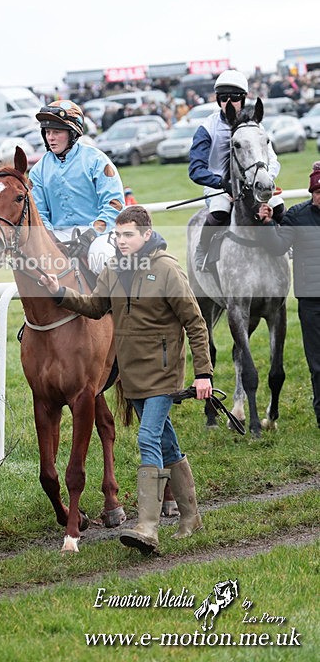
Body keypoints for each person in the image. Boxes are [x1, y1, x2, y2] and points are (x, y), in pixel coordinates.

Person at [39, 205, 213, 554]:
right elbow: (95, 307)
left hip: (162, 373)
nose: (121, 241)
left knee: (148, 438)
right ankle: (191, 516)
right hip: (130, 375)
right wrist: (59, 292)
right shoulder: (114, 269)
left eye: (128, 235)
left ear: (146, 235)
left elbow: (195, 322)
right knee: (166, 443)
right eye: (117, 235)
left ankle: (147, 527)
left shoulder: (167, 269)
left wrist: (203, 374)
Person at [188, 69, 285, 271]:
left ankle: (287, 243)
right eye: (223, 97)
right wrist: (222, 184)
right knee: (219, 210)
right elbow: (196, 169)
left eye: (234, 97)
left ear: (243, 99)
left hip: (254, 184)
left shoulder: (255, 128)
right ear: (218, 100)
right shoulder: (207, 128)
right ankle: (202, 249)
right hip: (219, 188)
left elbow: (273, 160)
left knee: (278, 205)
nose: (228, 102)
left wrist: (264, 179)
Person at [258, 161, 320, 429]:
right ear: (311, 192)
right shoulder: (297, 215)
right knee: (317, 364)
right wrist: (267, 224)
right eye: (318, 191)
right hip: (311, 301)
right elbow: (277, 247)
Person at [30, 100, 125, 272]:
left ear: (72, 133)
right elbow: (39, 213)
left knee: (101, 257)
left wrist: (91, 234)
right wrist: (51, 239)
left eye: (57, 132)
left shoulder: (97, 160)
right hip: (58, 233)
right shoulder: (37, 171)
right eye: (47, 132)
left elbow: (114, 205)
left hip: (99, 233)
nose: (50, 137)